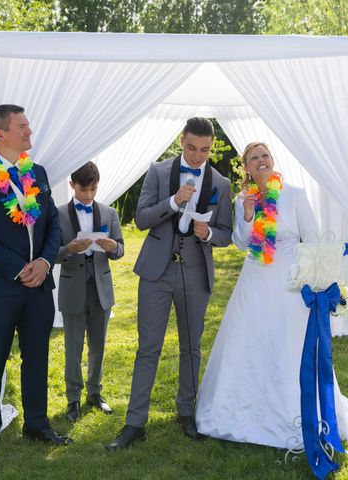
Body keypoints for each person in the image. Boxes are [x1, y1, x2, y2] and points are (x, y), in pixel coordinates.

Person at [196, 142, 348, 449]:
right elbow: (243, 244)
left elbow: (312, 240)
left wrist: (318, 282)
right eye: (254, 158)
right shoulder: (244, 198)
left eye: (265, 156)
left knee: (290, 343)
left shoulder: (295, 195)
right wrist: (246, 215)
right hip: (254, 281)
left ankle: (298, 409)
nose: (261, 161)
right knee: (248, 340)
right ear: (246, 166)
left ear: (272, 160)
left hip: (290, 285)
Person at [106, 117, 233, 450]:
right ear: (181, 140)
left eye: (204, 150)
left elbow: (227, 233)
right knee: (148, 347)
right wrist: (174, 202)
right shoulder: (159, 172)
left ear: (211, 147)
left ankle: (187, 412)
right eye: (191, 148)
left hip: (195, 271)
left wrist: (212, 234)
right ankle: (134, 422)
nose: (197, 156)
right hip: (156, 272)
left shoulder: (221, 183)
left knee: (191, 346)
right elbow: (141, 218)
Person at [0, 104, 70, 460]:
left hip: (40, 283)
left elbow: (53, 225)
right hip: (0, 285)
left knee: (37, 356)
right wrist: (20, 267)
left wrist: (44, 262)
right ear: (0, 134)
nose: (29, 133)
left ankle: (37, 423)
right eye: (23, 127)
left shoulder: (37, 172)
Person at [55, 161, 124, 422]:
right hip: (72, 289)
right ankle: (73, 398)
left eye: (93, 189)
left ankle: (95, 392)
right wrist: (69, 250)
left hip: (101, 289)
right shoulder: (58, 214)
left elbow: (120, 250)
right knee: (73, 347)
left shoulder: (109, 213)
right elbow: (50, 253)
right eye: (84, 190)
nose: (89, 195)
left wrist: (111, 247)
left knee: (98, 345)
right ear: (72, 185)